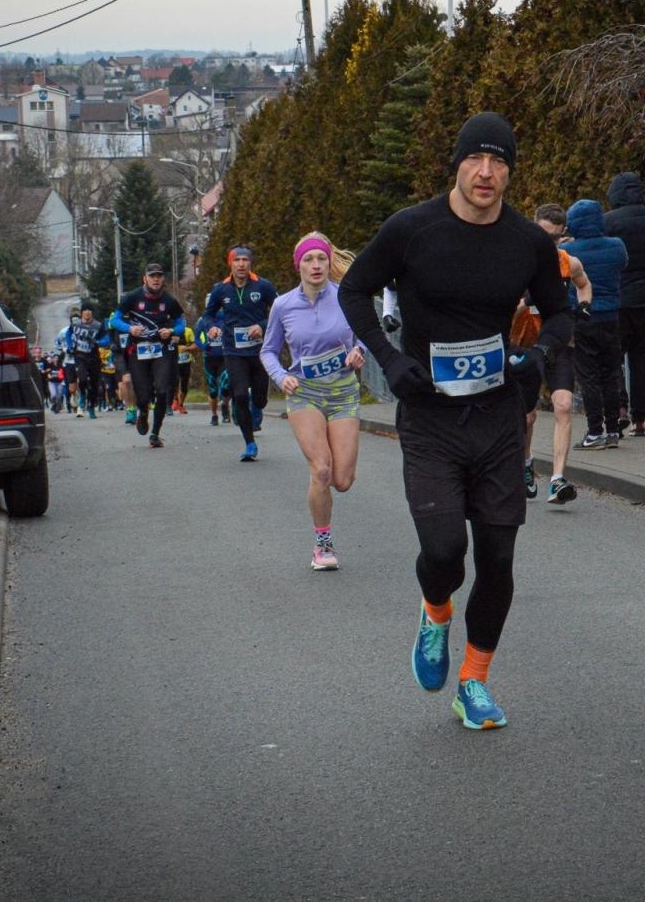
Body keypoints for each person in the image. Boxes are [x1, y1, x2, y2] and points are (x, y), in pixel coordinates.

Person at [340, 111, 572, 730]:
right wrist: (390, 361)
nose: (487, 173)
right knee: (445, 551)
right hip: (431, 420)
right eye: (477, 159)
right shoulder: (411, 229)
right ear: (458, 162)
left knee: (497, 559)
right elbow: (353, 291)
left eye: (500, 163)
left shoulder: (528, 242)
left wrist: (539, 359)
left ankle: (474, 682)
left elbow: (562, 312)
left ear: (511, 173)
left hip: (497, 418)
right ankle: (436, 609)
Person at [260, 232, 367, 571]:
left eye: (321, 258)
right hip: (304, 392)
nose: (316, 265)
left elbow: (366, 331)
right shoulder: (283, 305)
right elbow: (268, 351)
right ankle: (322, 544)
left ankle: (326, 527)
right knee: (321, 469)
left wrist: (358, 350)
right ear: (299, 266)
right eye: (309, 259)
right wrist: (281, 377)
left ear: (328, 262)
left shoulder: (346, 296)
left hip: (343, 392)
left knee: (342, 481)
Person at [514, 204, 593, 504]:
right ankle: (525, 463)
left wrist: (584, 306)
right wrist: (525, 301)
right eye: (544, 237)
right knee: (528, 417)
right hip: (523, 344)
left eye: (556, 239)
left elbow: (584, 284)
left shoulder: (566, 261)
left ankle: (558, 479)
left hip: (558, 344)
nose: (549, 245)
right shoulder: (515, 260)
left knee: (563, 405)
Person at [603, 171, 645, 438]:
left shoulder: (608, 222)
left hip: (617, 299)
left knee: (613, 357)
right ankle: (639, 419)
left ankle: (620, 405)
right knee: (643, 360)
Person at [560, 198, 629, 450]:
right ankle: (613, 430)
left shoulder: (570, 252)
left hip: (581, 316)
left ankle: (594, 431)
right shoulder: (616, 246)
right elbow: (623, 264)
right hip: (611, 317)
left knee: (588, 376)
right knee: (610, 373)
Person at [204, 247, 278, 461]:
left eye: (245, 260)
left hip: (260, 350)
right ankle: (250, 444)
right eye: (237, 260)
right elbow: (208, 316)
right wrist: (212, 327)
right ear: (231, 264)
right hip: (233, 350)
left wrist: (262, 325)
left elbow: (279, 311)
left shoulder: (263, 286)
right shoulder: (221, 289)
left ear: (250, 263)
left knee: (260, 398)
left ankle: (258, 407)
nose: (241, 264)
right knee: (239, 396)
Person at [109, 263, 186, 449]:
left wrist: (172, 330)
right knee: (142, 395)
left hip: (161, 350)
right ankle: (142, 413)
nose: (156, 279)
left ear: (163, 279)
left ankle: (155, 433)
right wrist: (129, 328)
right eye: (152, 276)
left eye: (159, 275)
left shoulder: (168, 301)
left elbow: (181, 322)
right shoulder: (132, 297)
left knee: (161, 390)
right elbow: (114, 320)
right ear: (145, 279)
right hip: (138, 350)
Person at [56, 306, 108, 418]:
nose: (88, 313)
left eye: (90, 310)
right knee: (82, 378)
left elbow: (107, 339)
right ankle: (83, 395)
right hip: (80, 356)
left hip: (94, 357)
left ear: (92, 313)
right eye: (85, 311)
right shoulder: (76, 324)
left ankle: (91, 407)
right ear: (81, 313)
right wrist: (70, 346)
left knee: (95, 385)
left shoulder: (98, 325)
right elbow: (68, 334)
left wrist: (98, 342)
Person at [195, 303, 230, 426]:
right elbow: (196, 339)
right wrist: (205, 346)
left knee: (226, 384)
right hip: (209, 358)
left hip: (224, 357)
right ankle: (214, 415)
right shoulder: (202, 320)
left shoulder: (225, 317)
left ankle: (225, 406)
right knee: (213, 389)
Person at [173, 322, 196, 415]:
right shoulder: (171, 330)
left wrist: (187, 348)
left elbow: (195, 344)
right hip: (174, 361)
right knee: (174, 382)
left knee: (184, 384)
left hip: (186, 361)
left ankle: (181, 404)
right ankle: (175, 400)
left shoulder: (188, 331)